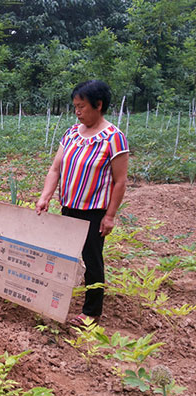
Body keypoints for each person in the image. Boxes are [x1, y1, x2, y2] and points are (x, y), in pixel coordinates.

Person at [36, 80, 129, 324]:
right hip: (69, 206)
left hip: (94, 212)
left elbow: (120, 182)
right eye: (75, 107)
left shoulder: (113, 138)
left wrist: (109, 216)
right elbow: (56, 168)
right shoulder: (71, 134)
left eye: (82, 107)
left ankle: (91, 312)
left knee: (92, 259)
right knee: (65, 255)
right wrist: (45, 196)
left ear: (98, 105)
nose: (77, 112)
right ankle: (56, 299)